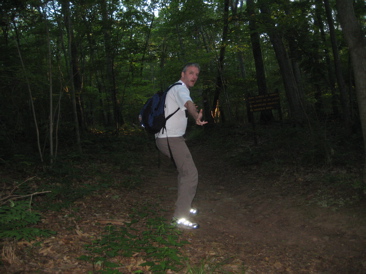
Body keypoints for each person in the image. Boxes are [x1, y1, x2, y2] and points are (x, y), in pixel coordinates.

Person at [155, 63, 207, 229]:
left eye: (197, 74)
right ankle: (180, 218)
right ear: (182, 74)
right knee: (190, 173)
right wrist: (196, 117)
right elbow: (189, 104)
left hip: (168, 138)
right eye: (191, 73)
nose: (194, 77)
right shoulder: (181, 88)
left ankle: (184, 207)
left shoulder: (174, 88)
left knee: (184, 173)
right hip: (171, 139)